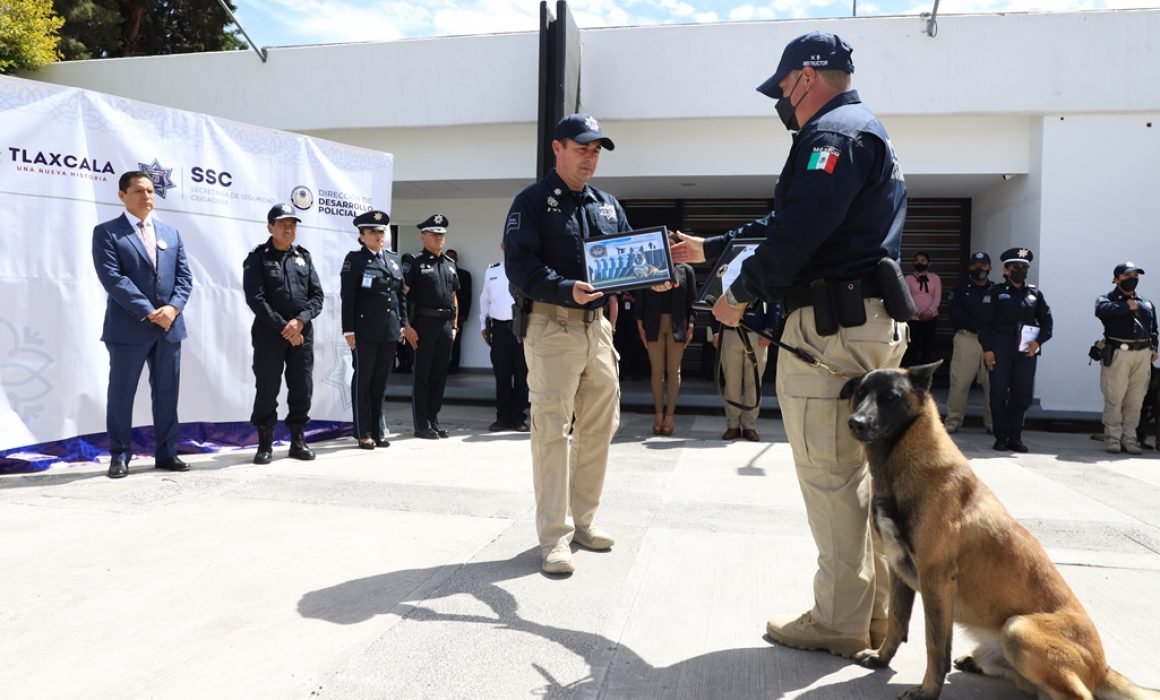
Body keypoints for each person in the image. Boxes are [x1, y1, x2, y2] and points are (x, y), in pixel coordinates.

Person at [671, 31, 909, 656]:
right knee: (864, 477)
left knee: (830, 475)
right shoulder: (863, 130)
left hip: (832, 335)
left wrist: (739, 292)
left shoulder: (830, 136)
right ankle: (873, 614)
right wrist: (713, 248)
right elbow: (790, 222)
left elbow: (797, 232)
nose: (781, 101)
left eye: (781, 89)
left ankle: (837, 621)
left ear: (804, 78)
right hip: (866, 329)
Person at [505, 113, 627, 574]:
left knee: (600, 426)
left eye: (596, 151)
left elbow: (627, 260)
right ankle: (553, 537)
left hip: (597, 329)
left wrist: (653, 280)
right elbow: (520, 266)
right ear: (557, 149)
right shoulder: (532, 202)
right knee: (552, 432)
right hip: (552, 326)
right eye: (582, 149)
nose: (590, 158)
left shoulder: (608, 205)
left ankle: (585, 522)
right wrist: (563, 288)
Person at [92, 170, 194, 479]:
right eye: (138, 191)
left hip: (169, 328)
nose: (146, 196)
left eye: (150, 190)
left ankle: (166, 454)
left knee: (166, 394)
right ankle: (120, 456)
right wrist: (151, 311)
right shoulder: (107, 232)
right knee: (122, 394)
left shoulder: (170, 233)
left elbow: (184, 278)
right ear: (122, 195)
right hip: (129, 328)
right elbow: (113, 278)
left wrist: (172, 309)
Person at [242, 203, 325, 464]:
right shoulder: (257, 258)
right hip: (270, 334)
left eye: (293, 225)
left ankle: (298, 441)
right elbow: (256, 299)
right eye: (283, 224)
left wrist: (299, 322)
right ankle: (264, 443)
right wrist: (283, 327)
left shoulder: (304, 256)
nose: (289, 229)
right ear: (270, 227)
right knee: (267, 388)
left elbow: (317, 297)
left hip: (302, 334)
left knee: (302, 387)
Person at [341, 210, 408, 450]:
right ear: (362, 236)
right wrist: (348, 330)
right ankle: (363, 431)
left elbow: (400, 296)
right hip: (364, 331)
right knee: (364, 381)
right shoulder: (355, 260)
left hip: (389, 331)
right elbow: (348, 298)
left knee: (380, 382)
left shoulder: (392, 259)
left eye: (382, 231)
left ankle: (379, 430)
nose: (380, 235)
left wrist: (402, 324)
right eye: (374, 232)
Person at [979, 247, 1053, 454]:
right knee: (998, 394)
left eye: (1024, 267)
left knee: (1022, 396)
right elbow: (985, 324)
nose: (1021, 270)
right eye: (1016, 267)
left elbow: (1047, 322)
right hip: (1001, 346)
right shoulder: (995, 292)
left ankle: (1016, 437)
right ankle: (1001, 437)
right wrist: (988, 350)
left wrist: (1038, 343)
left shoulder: (1035, 294)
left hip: (1025, 351)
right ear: (1006, 270)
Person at [402, 214, 459, 440]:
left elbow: (454, 297)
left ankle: (433, 420)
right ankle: (421, 424)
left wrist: (454, 327)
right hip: (423, 325)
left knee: (438, 376)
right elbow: (402, 296)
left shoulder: (449, 264)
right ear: (423, 236)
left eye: (441, 235)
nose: (438, 238)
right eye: (434, 234)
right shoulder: (414, 261)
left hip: (445, 325)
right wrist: (406, 326)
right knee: (422, 375)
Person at [1095, 262, 1158, 455]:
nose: (1133, 279)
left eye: (1136, 276)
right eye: (1128, 275)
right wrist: (1125, 307)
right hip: (1118, 354)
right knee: (1115, 398)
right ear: (1117, 278)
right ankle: (1113, 438)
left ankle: (1130, 438)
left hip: (1142, 355)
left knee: (1135, 400)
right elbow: (1102, 311)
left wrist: (1154, 347)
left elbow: (1153, 328)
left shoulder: (1146, 302)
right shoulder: (1106, 299)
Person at [635, 262, 697, 435]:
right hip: (653, 322)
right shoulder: (647, 268)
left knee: (674, 370)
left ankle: (670, 415)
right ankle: (658, 414)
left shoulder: (686, 270)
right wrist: (639, 324)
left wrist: (692, 324)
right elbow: (640, 298)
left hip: (678, 323)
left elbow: (692, 299)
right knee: (657, 370)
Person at [479, 242, 529, 432]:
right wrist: (483, 325)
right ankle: (502, 418)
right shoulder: (492, 270)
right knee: (502, 376)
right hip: (499, 330)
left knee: (522, 376)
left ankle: (518, 418)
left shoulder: (526, 270)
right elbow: (485, 300)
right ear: (502, 246)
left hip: (522, 328)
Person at [711, 302, 778, 441]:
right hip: (729, 332)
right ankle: (732, 425)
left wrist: (769, 329)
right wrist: (716, 331)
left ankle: (750, 426)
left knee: (754, 383)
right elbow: (714, 301)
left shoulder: (763, 278)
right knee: (731, 382)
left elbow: (774, 300)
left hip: (757, 334)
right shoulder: (724, 278)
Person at [944, 251, 994, 434]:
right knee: (960, 383)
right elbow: (956, 315)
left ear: (990, 267)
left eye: (983, 265)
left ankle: (992, 423)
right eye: (975, 265)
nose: (979, 268)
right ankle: (953, 421)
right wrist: (978, 327)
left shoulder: (996, 290)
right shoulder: (959, 290)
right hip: (967, 339)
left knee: (993, 384)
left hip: (991, 342)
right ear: (969, 267)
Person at [904, 250, 941, 365]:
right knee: (912, 347)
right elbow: (907, 297)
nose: (919, 263)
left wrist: (929, 312)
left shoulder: (935, 278)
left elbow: (937, 297)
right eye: (917, 260)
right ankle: (910, 373)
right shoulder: (908, 279)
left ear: (928, 263)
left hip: (931, 318)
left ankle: (926, 372)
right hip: (914, 319)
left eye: (923, 260)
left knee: (928, 346)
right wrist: (919, 313)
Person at [446, 248, 472, 373]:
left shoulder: (465, 275)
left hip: (458, 314)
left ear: (457, 259)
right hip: (441, 314)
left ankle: (453, 367)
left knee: (456, 342)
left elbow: (468, 296)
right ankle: (441, 366)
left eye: (452, 256)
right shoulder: (440, 272)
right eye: (448, 256)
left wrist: (464, 315)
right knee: (441, 342)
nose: (451, 259)